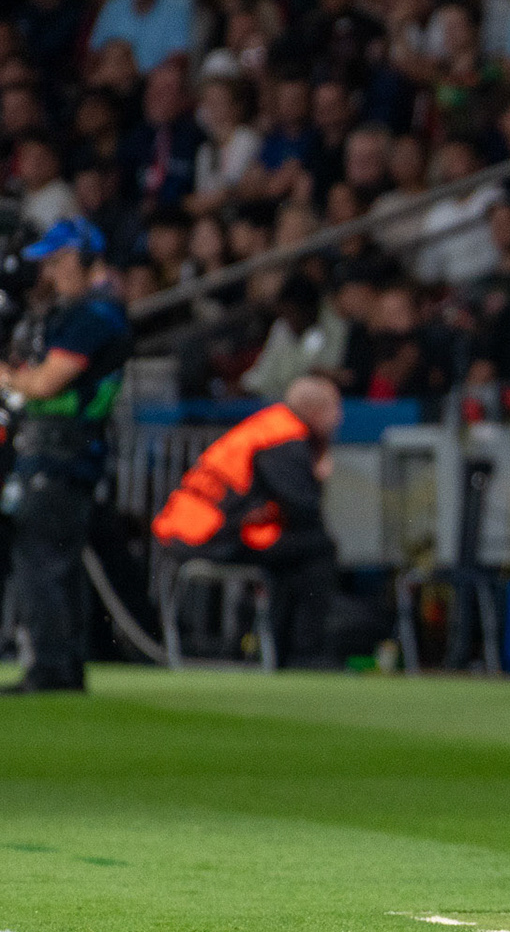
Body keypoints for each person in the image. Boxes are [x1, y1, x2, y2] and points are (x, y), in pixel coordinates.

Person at [0, 219, 132, 695]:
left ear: (82, 256)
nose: (50, 273)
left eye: (57, 261)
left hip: (63, 451)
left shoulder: (93, 314)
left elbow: (43, 384)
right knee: (57, 561)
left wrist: (8, 376)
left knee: (40, 560)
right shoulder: (91, 311)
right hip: (69, 452)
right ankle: (66, 665)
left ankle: (51, 669)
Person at [151, 377, 344, 666]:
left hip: (197, 527)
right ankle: (305, 654)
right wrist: (321, 467)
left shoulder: (270, 425)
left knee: (293, 551)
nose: (340, 418)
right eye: (335, 409)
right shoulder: (283, 439)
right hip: (207, 535)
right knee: (318, 548)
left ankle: (273, 648)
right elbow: (304, 507)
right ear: (316, 411)